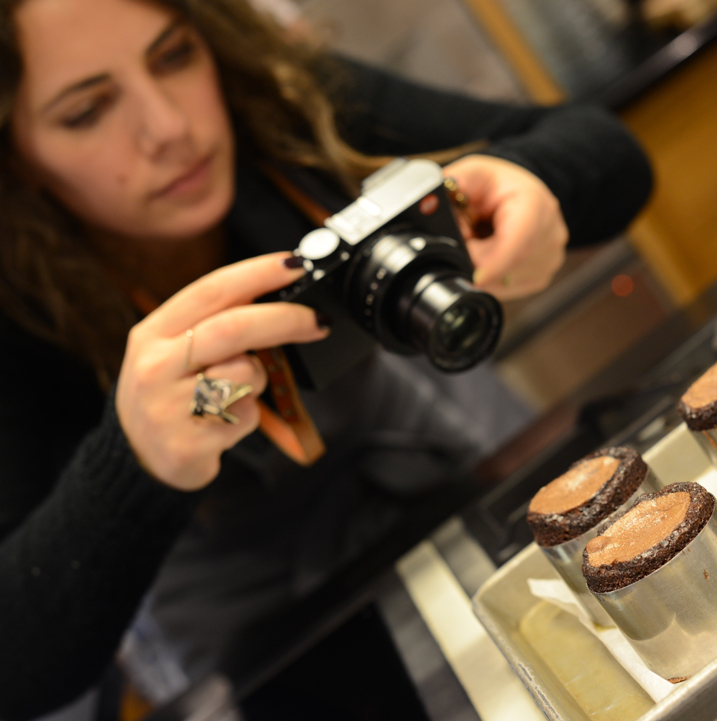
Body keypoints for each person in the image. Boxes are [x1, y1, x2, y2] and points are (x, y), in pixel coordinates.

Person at [0, 0, 653, 717]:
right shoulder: (18, 317)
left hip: (441, 490)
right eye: (86, 111)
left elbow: (606, 150)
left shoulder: (276, 101)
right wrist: (133, 464)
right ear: (15, 156)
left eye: (174, 57)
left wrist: (530, 180)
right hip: (262, 642)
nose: (170, 129)